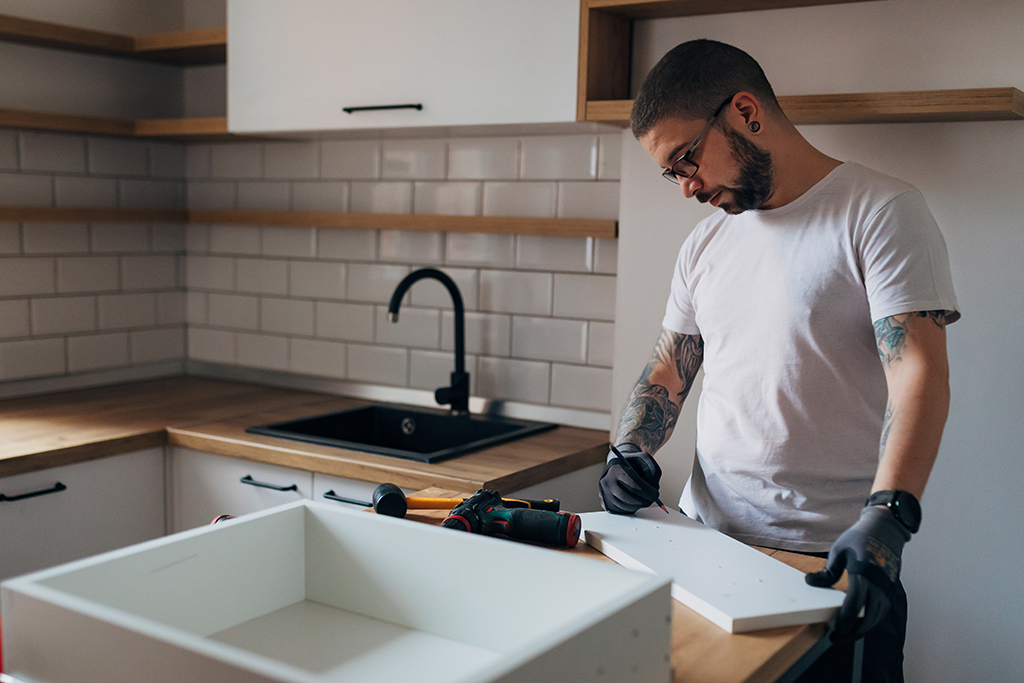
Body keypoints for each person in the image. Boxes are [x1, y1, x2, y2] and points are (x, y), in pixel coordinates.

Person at [598, 39, 958, 683]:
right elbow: (669, 370)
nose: (686, 187)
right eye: (671, 172)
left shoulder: (879, 211)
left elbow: (917, 372)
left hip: (833, 563)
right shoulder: (706, 241)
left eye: (687, 159)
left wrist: (889, 519)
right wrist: (628, 452)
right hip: (701, 544)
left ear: (745, 112)